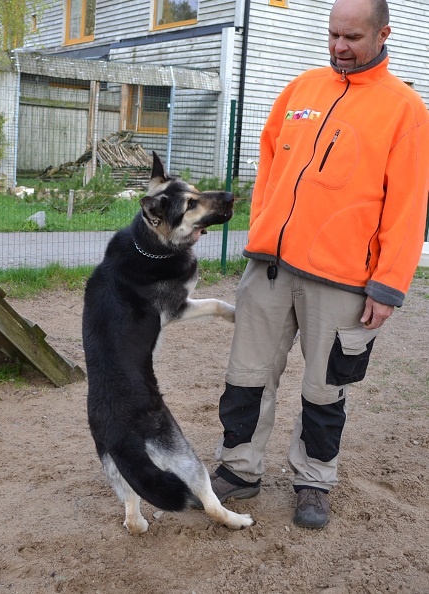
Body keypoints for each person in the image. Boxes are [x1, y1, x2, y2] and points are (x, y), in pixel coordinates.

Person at [210, 0, 429, 529]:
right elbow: (269, 164)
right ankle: (239, 468)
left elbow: (409, 207)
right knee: (246, 376)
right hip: (269, 268)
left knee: (324, 390)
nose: (339, 47)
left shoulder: (406, 111)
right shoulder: (301, 90)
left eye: (352, 37)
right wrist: (262, 230)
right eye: (333, 35)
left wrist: (387, 285)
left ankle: (314, 479)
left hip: (344, 280)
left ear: (383, 35)